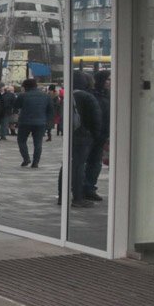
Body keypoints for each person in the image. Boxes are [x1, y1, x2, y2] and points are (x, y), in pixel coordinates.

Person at [61, 72, 101, 208]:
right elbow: (96, 119)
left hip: (71, 134)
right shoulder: (87, 97)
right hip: (84, 135)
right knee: (78, 167)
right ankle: (77, 197)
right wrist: (96, 135)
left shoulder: (70, 96)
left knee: (67, 165)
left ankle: (62, 195)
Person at [84, 71, 111, 200]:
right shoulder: (91, 95)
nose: (109, 82)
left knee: (96, 162)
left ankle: (89, 187)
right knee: (86, 161)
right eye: (108, 79)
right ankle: (82, 187)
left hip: (103, 134)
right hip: (91, 133)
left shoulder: (109, 95)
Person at [16, 78, 53, 168]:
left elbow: (16, 105)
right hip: (40, 123)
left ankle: (26, 158)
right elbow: (50, 110)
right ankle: (35, 162)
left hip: (25, 122)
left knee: (21, 141)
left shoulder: (22, 96)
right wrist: (48, 122)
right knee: (38, 143)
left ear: (25, 87)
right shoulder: (46, 96)